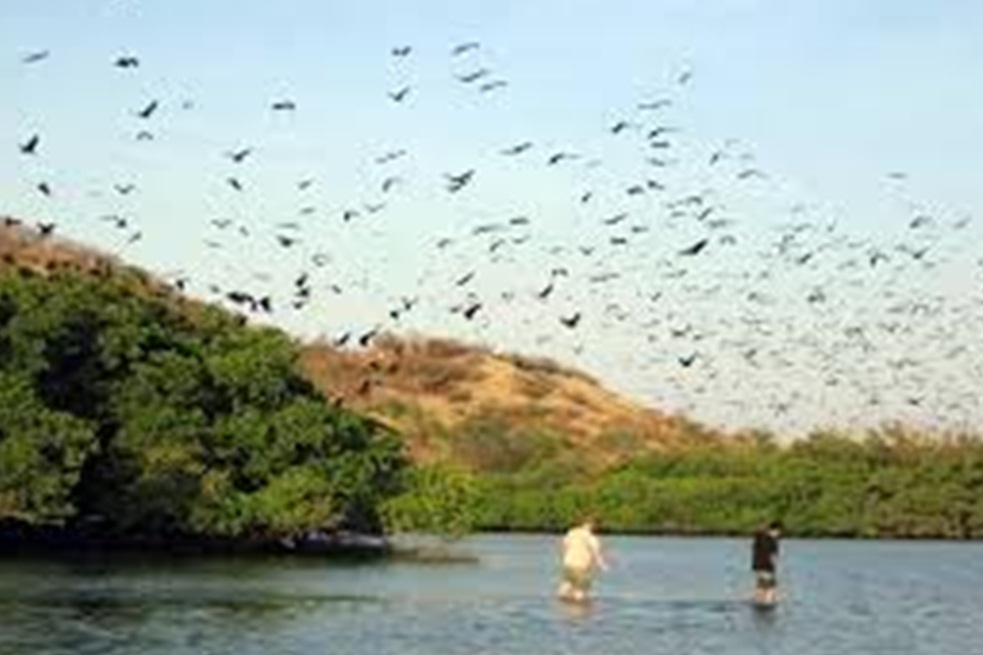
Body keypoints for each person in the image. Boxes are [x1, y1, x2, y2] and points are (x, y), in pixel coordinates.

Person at [557, 516, 607, 603]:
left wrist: (564, 559)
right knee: (580, 592)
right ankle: (579, 614)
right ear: (592, 525)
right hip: (581, 567)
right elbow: (596, 553)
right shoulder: (590, 537)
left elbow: (563, 547)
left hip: (568, 564)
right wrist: (602, 565)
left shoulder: (571, 533)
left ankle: (562, 611)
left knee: (565, 588)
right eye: (596, 526)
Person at [751, 521, 782, 605]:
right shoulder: (773, 541)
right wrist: (774, 569)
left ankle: (758, 601)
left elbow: (757, 533)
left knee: (760, 585)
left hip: (757, 566)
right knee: (771, 586)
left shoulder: (759, 537)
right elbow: (774, 556)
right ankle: (768, 602)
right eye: (778, 532)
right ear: (775, 530)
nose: (779, 534)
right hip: (767, 566)